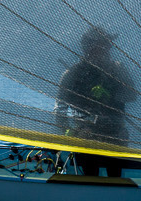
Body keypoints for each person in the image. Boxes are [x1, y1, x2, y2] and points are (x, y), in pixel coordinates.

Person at [56, 26, 136, 178]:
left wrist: (111, 94)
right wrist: (66, 130)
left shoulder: (117, 69)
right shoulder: (72, 74)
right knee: (90, 175)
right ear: (89, 47)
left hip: (114, 133)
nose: (108, 48)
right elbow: (60, 107)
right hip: (86, 133)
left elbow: (132, 95)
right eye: (103, 44)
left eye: (108, 44)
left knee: (115, 175)